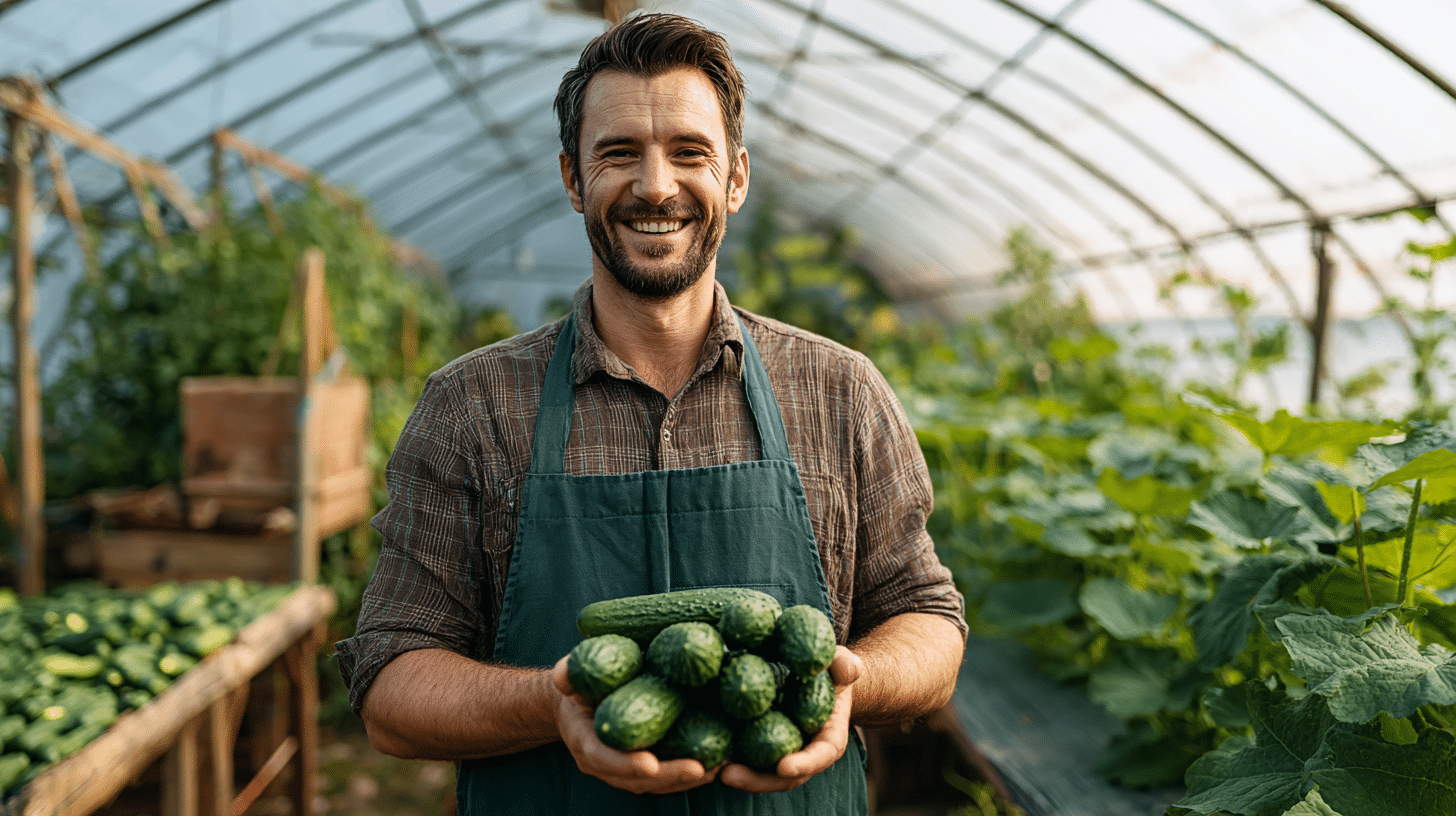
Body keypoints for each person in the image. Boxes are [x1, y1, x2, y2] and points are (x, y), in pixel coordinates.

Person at [335, 12, 967, 815]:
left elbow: (928, 620)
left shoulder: (840, 391)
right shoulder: (472, 405)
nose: (657, 185)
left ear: (737, 177)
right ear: (573, 179)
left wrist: (852, 682)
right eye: (619, 153)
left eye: (690, 152)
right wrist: (552, 703)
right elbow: (390, 683)